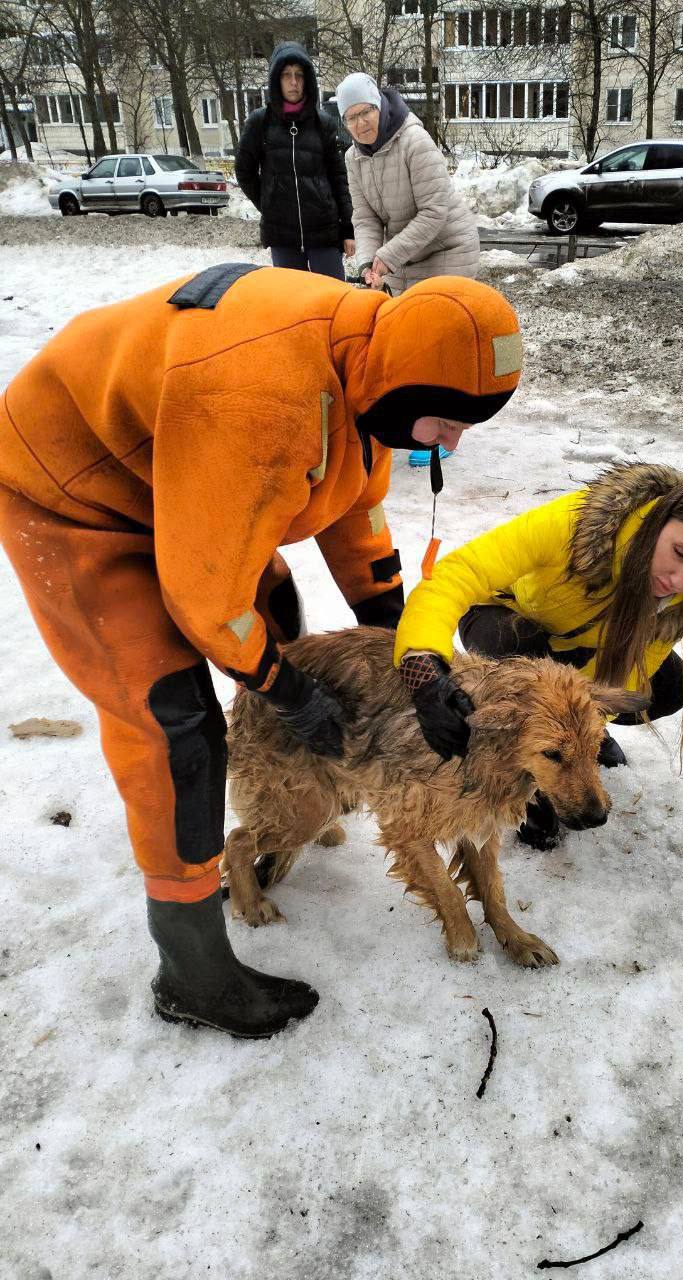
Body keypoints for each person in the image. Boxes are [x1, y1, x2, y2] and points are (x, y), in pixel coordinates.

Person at [0, 265, 522, 1038]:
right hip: (81, 499)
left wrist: (414, 654)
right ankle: (193, 971)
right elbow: (204, 599)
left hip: (185, 484)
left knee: (284, 626)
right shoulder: (259, 400)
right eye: (446, 423)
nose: (454, 442)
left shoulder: (368, 367)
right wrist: (290, 694)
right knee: (176, 724)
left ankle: (289, 802)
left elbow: (356, 516)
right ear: (405, 390)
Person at [393, 462, 683, 848]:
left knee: (671, 687)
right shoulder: (579, 523)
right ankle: (529, 764)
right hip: (509, 622)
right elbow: (456, 574)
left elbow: (633, 666)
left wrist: (585, 733)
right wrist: (421, 667)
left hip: (585, 649)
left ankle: (573, 742)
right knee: (522, 647)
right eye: (679, 552)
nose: (679, 580)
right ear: (658, 520)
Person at [334, 71, 481, 469]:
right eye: (352, 117)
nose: (361, 124)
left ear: (379, 107)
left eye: (366, 112)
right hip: (406, 257)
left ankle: (448, 432)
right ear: (344, 122)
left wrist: (387, 257)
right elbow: (363, 219)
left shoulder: (414, 141)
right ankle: (422, 421)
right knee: (412, 346)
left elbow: (434, 212)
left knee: (442, 347)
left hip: (449, 247)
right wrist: (368, 262)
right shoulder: (352, 159)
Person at [236, 41, 354, 278]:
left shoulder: (324, 124)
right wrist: (270, 203)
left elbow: (339, 178)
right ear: (276, 80)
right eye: (286, 75)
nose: (293, 82)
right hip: (283, 237)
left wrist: (347, 227)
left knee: (333, 300)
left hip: (324, 232)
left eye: (299, 75)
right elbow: (244, 172)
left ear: (307, 80)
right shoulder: (260, 123)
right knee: (293, 307)